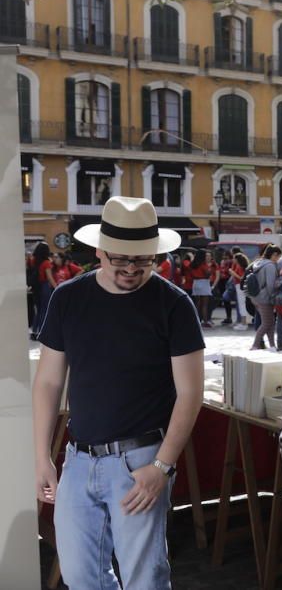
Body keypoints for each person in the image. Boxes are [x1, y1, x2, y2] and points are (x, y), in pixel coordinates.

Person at [32, 196, 204, 589]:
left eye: (142, 260)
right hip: (79, 458)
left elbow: (190, 393)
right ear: (99, 251)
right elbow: (48, 382)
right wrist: (42, 456)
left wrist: (162, 466)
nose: (130, 268)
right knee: (80, 576)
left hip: (142, 458)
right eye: (120, 258)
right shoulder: (68, 297)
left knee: (145, 579)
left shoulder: (174, 304)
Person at [250, 245, 282, 350]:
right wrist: (273, 297)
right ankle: (255, 345)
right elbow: (270, 285)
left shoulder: (259, 263)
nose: (278, 259)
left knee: (270, 322)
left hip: (256, 297)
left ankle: (272, 345)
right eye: (278, 256)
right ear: (274, 255)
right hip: (265, 298)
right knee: (267, 323)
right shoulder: (270, 266)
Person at [30, 241, 57, 339]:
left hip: (36, 287)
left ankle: (34, 331)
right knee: (44, 310)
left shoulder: (33, 260)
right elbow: (49, 277)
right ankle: (41, 332)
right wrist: (57, 287)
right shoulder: (46, 262)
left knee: (38, 310)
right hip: (44, 286)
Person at [190, 249, 213, 328]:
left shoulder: (193, 263)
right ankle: (205, 321)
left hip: (196, 283)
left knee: (197, 304)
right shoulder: (203, 264)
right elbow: (207, 274)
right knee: (205, 304)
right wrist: (210, 270)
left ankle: (196, 320)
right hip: (204, 283)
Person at [230, 252, 251, 330]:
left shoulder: (239, 266)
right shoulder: (242, 266)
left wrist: (233, 273)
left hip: (239, 286)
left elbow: (241, 278)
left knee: (242, 304)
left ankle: (244, 323)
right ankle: (243, 323)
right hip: (240, 286)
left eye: (234, 258)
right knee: (242, 304)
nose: (233, 260)